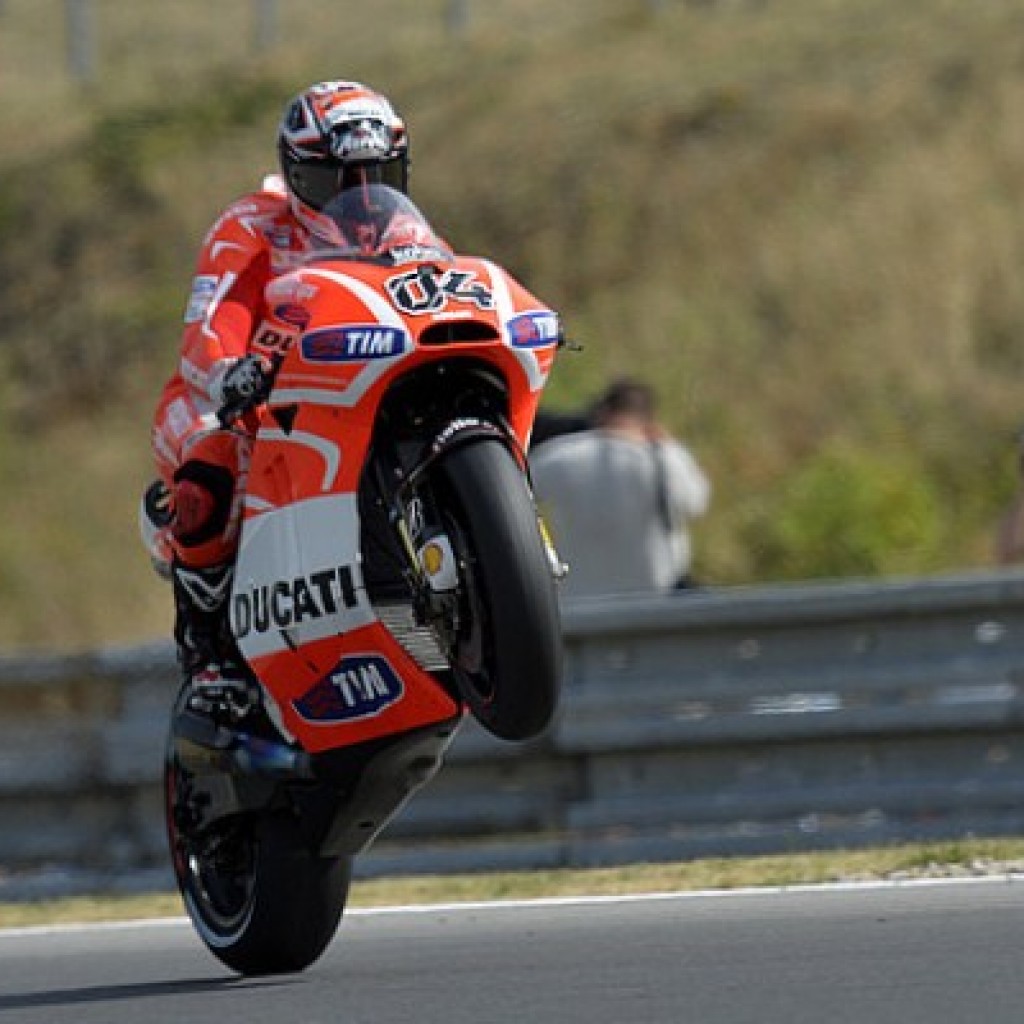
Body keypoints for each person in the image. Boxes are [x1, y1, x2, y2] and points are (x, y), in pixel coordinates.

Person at [140, 80, 410, 716]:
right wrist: (230, 371)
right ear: (297, 173)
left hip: (343, 398)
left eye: (378, 175)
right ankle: (207, 656)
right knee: (215, 456)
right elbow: (211, 322)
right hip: (233, 395)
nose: (361, 198)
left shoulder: (403, 233)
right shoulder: (252, 225)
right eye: (340, 180)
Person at [529, 377, 711, 600]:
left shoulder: (559, 455)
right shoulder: (667, 458)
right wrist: (666, 442)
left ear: (602, 411)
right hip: (655, 599)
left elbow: (520, 496)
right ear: (648, 419)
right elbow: (696, 504)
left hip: (579, 598)